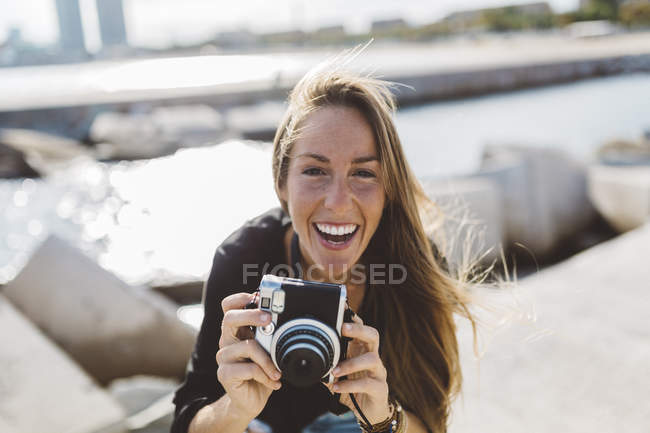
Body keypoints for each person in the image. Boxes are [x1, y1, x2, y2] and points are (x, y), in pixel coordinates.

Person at [171, 53, 478, 433]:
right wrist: (235, 410)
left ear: (388, 191)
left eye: (363, 173)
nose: (337, 201)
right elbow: (187, 423)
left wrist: (384, 418)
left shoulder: (416, 269)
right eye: (315, 170)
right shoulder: (244, 259)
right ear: (281, 184)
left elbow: (432, 425)